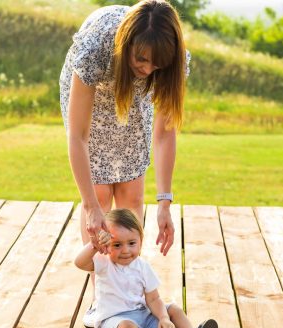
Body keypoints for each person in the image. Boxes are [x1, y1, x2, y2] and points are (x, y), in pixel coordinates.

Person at [60, 0, 190, 257]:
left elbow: (164, 133)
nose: (147, 69)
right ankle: (102, 289)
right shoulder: (97, 48)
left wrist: (164, 202)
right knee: (100, 196)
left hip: (134, 101)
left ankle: (127, 283)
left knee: (132, 196)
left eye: (156, 65)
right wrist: (91, 207)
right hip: (92, 94)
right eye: (141, 59)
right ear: (127, 44)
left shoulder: (171, 60)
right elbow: (78, 136)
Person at [74, 208, 218, 328]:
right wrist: (94, 245)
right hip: (113, 322)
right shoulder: (103, 263)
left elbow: (153, 299)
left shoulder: (142, 267)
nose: (126, 250)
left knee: (174, 309)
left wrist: (164, 317)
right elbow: (79, 263)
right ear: (106, 245)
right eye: (117, 244)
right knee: (127, 326)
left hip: (142, 315)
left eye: (132, 243)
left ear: (140, 241)